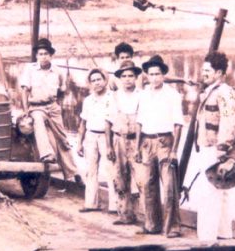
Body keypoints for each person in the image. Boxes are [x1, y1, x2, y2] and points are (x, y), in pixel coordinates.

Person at [192, 50, 235, 240]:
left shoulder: (224, 93)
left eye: (208, 71)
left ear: (220, 73)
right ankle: (223, 234)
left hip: (216, 150)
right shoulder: (210, 91)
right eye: (203, 70)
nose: (203, 73)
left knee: (209, 193)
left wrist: (222, 151)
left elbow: (230, 123)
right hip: (208, 148)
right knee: (219, 192)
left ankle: (207, 239)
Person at [135, 54, 184, 238]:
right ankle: (152, 224)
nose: (154, 78)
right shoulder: (144, 94)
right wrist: (138, 146)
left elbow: (178, 124)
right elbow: (139, 122)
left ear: (163, 75)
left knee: (170, 187)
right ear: (146, 75)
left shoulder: (173, 95)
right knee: (148, 185)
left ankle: (173, 227)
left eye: (157, 74)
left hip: (165, 142)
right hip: (147, 142)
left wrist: (174, 150)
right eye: (151, 74)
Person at [18, 38, 79, 183]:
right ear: (37, 56)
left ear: (51, 55)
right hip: (36, 107)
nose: (43, 56)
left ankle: (72, 173)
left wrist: (57, 104)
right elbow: (24, 91)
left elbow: (63, 90)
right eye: (40, 54)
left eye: (46, 53)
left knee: (62, 139)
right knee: (38, 121)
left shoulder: (58, 71)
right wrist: (26, 110)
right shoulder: (30, 69)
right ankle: (47, 154)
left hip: (53, 106)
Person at [108, 59, 143, 225]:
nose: (128, 79)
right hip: (119, 140)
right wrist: (109, 146)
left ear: (136, 77)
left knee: (142, 178)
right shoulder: (114, 96)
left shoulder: (142, 96)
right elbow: (107, 121)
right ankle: (124, 214)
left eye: (131, 75)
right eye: (124, 76)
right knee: (120, 177)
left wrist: (140, 144)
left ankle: (144, 215)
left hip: (137, 141)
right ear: (120, 78)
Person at [77, 69, 115, 213]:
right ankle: (91, 203)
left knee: (110, 170)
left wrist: (110, 144)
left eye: (99, 79)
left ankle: (114, 205)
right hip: (91, 136)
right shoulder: (88, 100)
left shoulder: (112, 97)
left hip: (107, 137)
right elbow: (83, 123)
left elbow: (110, 122)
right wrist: (79, 142)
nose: (96, 83)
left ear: (105, 80)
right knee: (91, 170)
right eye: (93, 80)